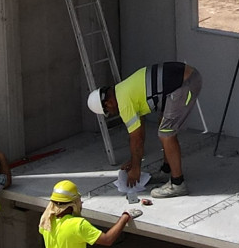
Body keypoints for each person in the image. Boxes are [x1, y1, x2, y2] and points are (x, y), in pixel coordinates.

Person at [86, 61, 202, 198]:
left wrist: (136, 168)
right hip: (185, 79)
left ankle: (178, 184)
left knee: (166, 134)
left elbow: (137, 139)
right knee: (163, 124)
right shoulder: (123, 90)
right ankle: (167, 170)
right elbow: (139, 131)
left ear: (108, 103)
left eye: (107, 112)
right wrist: (134, 161)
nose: (111, 113)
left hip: (186, 84)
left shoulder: (123, 103)